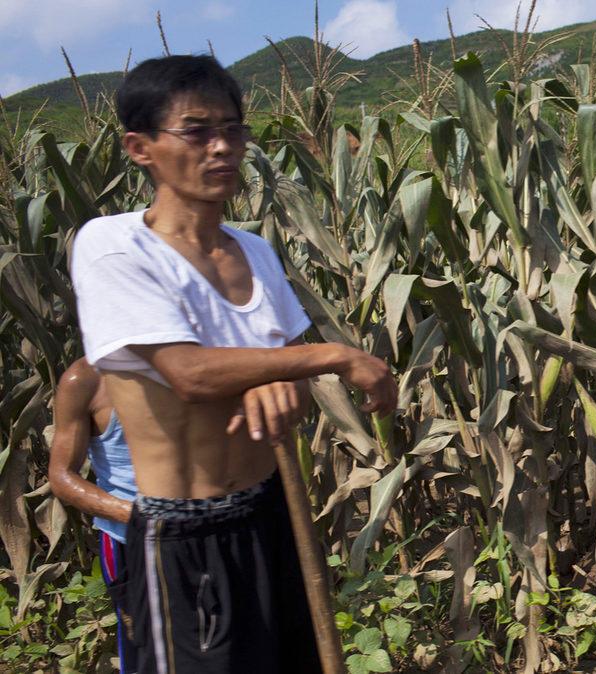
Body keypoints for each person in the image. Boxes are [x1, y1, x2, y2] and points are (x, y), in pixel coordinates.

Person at [69, 54, 397, 674]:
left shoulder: (256, 251)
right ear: (141, 148)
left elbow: (290, 402)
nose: (221, 147)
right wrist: (327, 355)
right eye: (197, 132)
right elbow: (189, 375)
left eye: (234, 130)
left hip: (271, 513)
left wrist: (280, 375)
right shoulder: (113, 246)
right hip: (183, 532)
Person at [48, 359, 139, 673]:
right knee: (144, 649)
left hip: (200, 531)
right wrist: (139, 516)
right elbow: (61, 476)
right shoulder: (84, 380)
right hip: (129, 541)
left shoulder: (187, 357)